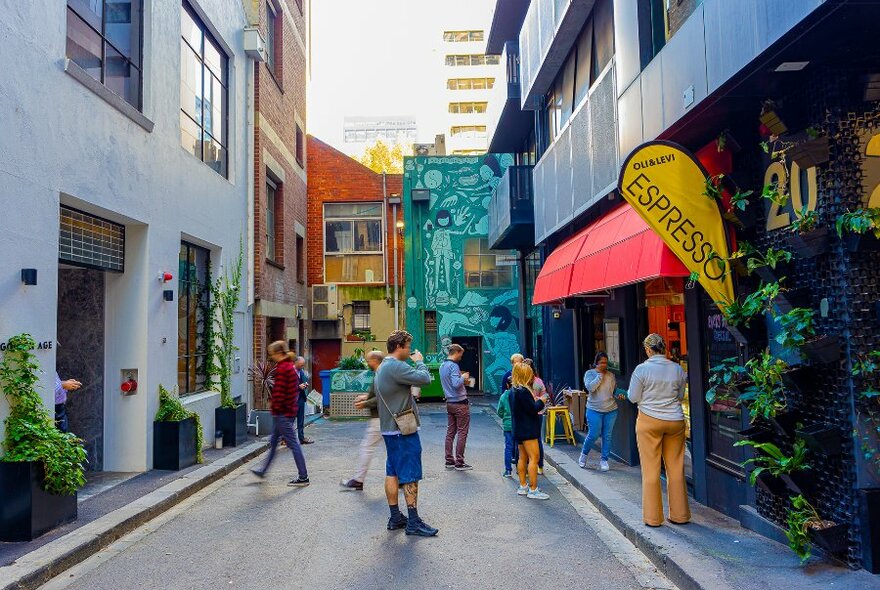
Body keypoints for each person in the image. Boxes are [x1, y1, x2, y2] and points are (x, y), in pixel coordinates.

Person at [374, 330, 437, 537]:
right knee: (410, 475)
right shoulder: (396, 366)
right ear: (399, 346)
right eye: (408, 347)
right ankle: (413, 521)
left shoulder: (383, 366)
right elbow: (425, 379)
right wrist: (419, 361)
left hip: (389, 430)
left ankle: (395, 517)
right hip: (403, 430)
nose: (410, 351)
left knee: (392, 472)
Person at [628, 333, 690, 527]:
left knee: (651, 470)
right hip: (675, 420)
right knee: (676, 468)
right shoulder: (677, 369)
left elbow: (633, 397)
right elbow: (680, 396)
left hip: (649, 420)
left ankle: (653, 518)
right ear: (663, 348)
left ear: (648, 350)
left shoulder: (642, 370)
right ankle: (680, 515)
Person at [251, 341, 309, 487]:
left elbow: (280, 393)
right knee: (274, 442)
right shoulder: (289, 366)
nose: (272, 357)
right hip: (286, 411)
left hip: (283, 412)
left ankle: (303, 477)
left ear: (278, 353)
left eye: (272, 354)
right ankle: (263, 471)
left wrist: (275, 408)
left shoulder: (283, 368)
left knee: (293, 443)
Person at [340, 351, 385, 491]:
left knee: (367, 448)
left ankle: (359, 480)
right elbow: (380, 395)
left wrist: (365, 403)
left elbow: (382, 397)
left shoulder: (381, 374)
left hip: (378, 419)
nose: (367, 363)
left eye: (369, 360)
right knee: (391, 449)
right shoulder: (381, 373)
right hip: (382, 418)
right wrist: (365, 397)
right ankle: (401, 478)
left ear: (375, 360)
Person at [511, 363, 550, 500]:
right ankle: (533, 489)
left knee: (522, 457)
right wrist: (542, 401)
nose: (532, 376)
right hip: (528, 429)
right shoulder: (524, 391)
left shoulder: (513, 390)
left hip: (518, 428)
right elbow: (533, 408)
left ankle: (523, 486)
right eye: (530, 374)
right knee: (534, 458)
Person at [578, 352, 620, 472]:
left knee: (607, 436)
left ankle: (604, 460)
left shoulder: (611, 375)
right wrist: (599, 376)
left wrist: (620, 394)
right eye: (601, 362)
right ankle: (584, 455)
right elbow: (590, 388)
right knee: (593, 434)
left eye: (606, 363)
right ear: (596, 363)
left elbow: (613, 390)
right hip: (594, 409)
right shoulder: (590, 373)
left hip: (611, 409)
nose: (604, 365)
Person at [440, 343, 472, 471]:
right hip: (460, 403)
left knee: (450, 432)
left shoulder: (443, 365)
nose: (461, 357)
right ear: (457, 352)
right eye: (461, 354)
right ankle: (459, 462)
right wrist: (463, 377)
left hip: (449, 402)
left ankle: (449, 460)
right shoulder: (454, 366)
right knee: (462, 432)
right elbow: (456, 384)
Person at [523, 358, 545, 474]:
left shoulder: (522, 384)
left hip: (526, 414)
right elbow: (545, 395)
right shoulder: (539, 381)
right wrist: (539, 400)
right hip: (538, 413)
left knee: (525, 441)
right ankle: (540, 465)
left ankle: (527, 466)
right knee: (537, 439)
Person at [295, 356, 314, 445]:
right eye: (301, 365)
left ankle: (301, 438)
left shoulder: (301, 372)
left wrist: (305, 385)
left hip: (301, 399)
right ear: (296, 363)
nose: (302, 367)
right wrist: (298, 387)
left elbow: (302, 381)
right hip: (292, 400)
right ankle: (285, 438)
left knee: (300, 420)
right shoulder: (290, 372)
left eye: (303, 365)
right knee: (290, 420)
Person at [497, 385, 514, 477]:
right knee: (519, 447)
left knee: (508, 447)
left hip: (508, 424)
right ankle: (522, 470)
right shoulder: (518, 394)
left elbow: (499, 411)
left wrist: (505, 417)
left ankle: (508, 470)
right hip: (518, 424)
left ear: (507, 385)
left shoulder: (504, 396)